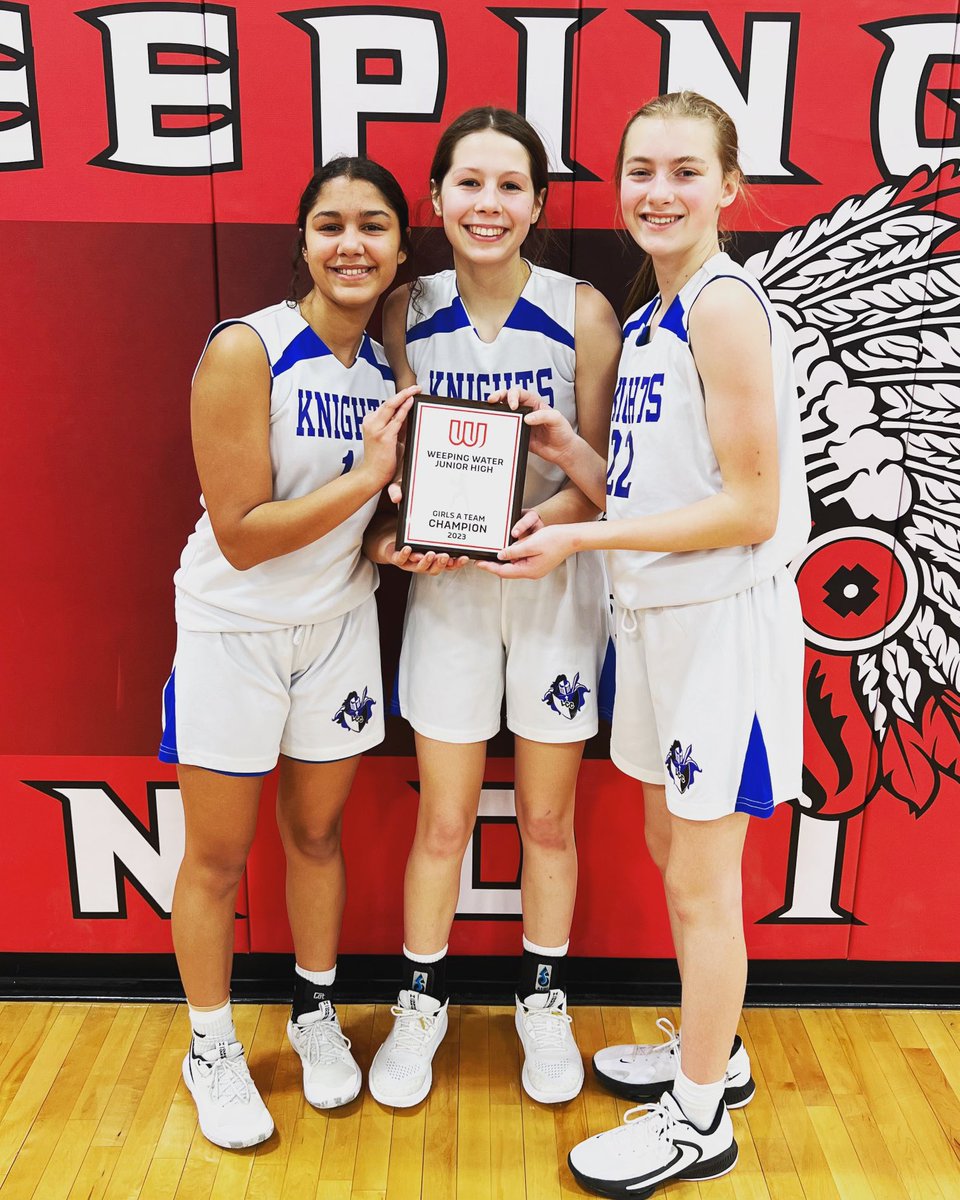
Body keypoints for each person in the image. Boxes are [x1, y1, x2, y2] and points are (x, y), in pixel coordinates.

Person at [478, 92, 809, 1194]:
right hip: (658, 619)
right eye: (638, 171)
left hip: (720, 626)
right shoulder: (659, 311)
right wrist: (578, 452)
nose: (657, 192)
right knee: (674, 857)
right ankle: (718, 1049)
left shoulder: (720, 305)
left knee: (704, 887)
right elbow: (660, 481)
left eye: (683, 171)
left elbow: (752, 508)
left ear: (729, 187)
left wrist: (586, 538)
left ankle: (701, 1117)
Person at [362, 107, 622, 1107]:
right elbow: (394, 466)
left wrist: (531, 531)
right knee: (446, 817)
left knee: (548, 820)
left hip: (554, 588)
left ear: (540, 204)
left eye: (510, 186)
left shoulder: (583, 309)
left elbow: (602, 475)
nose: (488, 204)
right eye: (468, 184)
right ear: (434, 200)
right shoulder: (404, 309)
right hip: (450, 596)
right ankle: (419, 1000)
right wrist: (414, 528)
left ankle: (543, 998)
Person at [159, 157, 418, 1149]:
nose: (352, 245)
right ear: (304, 242)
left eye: (374, 227)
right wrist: (371, 483)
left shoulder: (384, 373)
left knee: (316, 836)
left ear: (399, 249)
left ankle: (315, 1011)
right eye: (330, 226)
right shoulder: (248, 348)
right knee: (218, 856)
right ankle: (212, 1047)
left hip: (341, 623)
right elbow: (244, 532)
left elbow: (359, 525)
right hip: (236, 629)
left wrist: (401, 541)